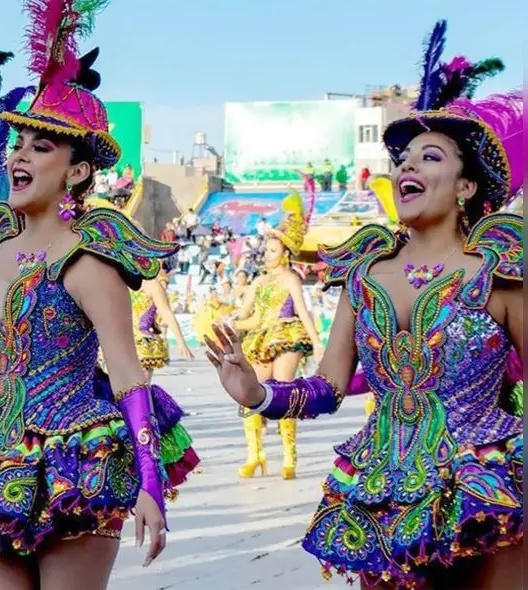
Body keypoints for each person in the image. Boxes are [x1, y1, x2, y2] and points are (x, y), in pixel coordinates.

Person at [207, 24, 522, 588]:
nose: (406, 168)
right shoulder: (364, 274)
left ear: (467, 188)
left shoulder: (500, 275)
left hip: (486, 487)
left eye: (429, 157)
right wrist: (258, 395)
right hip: (381, 494)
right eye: (402, 159)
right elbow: (328, 386)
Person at [0, 38, 198, 587]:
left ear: (76, 172)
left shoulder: (88, 260)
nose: (19, 155)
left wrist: (149, 482)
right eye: (18, 142)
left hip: (75, 463)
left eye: (41, 146)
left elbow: (126, 377)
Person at [228, 191, 324, 480]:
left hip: (288, 335)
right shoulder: (258, 282)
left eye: (272, 251)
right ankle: (254, 454)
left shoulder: (290, 278)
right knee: (248, 395)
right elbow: (247, 317)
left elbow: (304, 313)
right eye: (266, 250)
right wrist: (229, 321)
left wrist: (318, 344)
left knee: (284, 391)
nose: (266, 255)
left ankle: (288, 456)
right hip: (262, 337)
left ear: (285, 253)